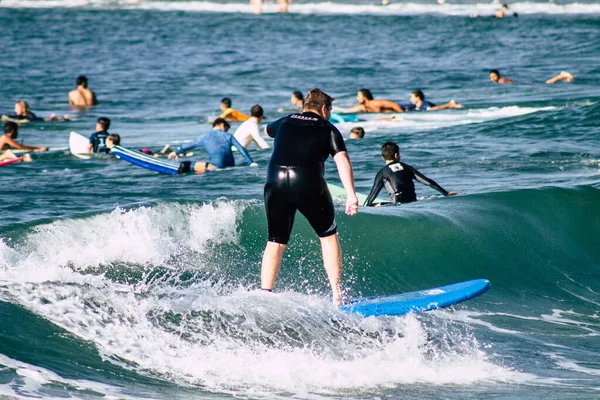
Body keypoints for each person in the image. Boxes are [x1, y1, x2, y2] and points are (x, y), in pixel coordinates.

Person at [260, 88, 358, 305]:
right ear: (324, 109)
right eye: (330, 110)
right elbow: (342, 161)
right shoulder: (328, 128)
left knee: (275, 241)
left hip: (274, 180)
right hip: (306, 180)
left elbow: (267, 130)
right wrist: (351, 195)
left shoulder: (284, 121)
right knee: (328, 235)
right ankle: (337, 295)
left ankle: (264, 294)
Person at [364, 142, 457, 206]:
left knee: (373, 205)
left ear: (382, 157)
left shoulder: (382, 172)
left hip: (397, 206)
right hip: (413, 203)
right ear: (397, 155)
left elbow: (373, 193)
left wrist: (367, 206)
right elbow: (427, 182)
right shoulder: (407, 167)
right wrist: (445, 193)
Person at [168, 118, 257, 174]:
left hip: (214, 169)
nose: (226, 131)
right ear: (222, 125)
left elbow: (189, 145)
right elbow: (241, 149)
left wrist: (175, 152)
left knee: (185, 165)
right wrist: (251, 162)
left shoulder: (205, 137)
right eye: (226, 129)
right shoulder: (229, 136)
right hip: (231, 170)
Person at [3, 101, 70, 122]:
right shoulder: (30, 114)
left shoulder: (28, 116)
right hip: (38, 119)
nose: (15, 110)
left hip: (36, 120)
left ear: (22, 108)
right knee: (47, 119)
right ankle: (62, 118)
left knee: (47, 119)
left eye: (16, 108)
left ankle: (62, 118)